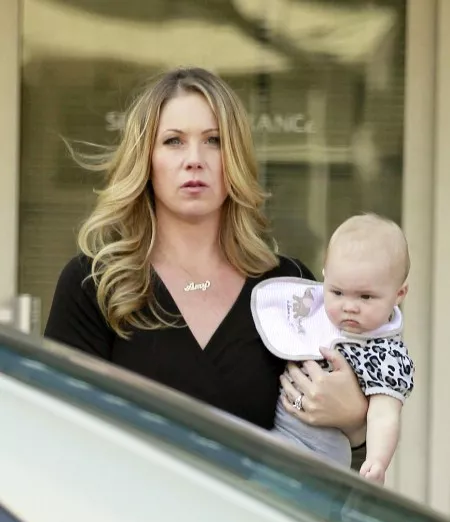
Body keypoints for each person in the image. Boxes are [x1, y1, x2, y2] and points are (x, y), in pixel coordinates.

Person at [44, 66, 367, 459]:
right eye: (174, 141)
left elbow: (330, 447)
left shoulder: (288, 286)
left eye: (214, 141)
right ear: (146, 159)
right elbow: (56, 439)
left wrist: (355, 421)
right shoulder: (94, 285)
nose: (194, 160)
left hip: (256, 500)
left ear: (235, 157)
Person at [251, 214, 414, 484]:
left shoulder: (386, 354)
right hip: (277, 430)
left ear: (399, 294)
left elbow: (384, 415)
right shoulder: (313, 311)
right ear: (325, 279)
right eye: (337, 292)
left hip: (321, 451)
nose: (349, 306)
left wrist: (377, 461)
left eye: (366, 296)